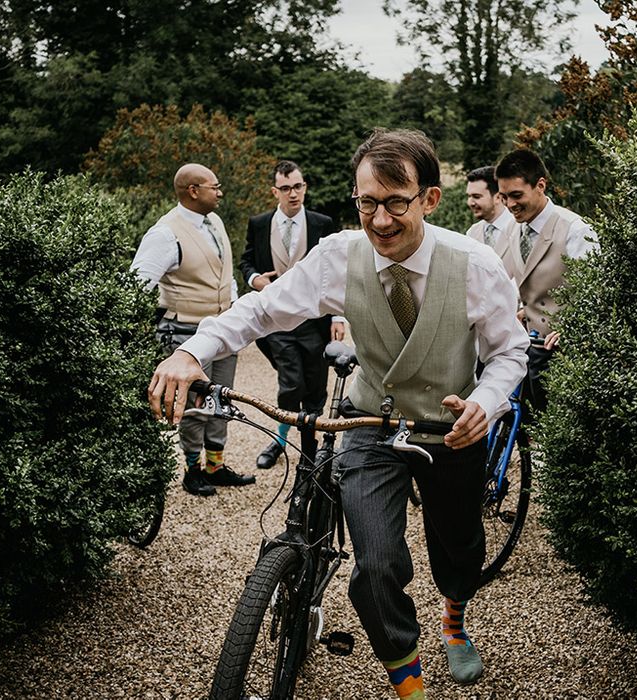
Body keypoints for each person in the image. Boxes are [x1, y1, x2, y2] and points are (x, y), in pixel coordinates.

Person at [148, 129, 528, 699]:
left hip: (451, 428)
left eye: (396, 201)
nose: (379, 220)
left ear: (429, 198)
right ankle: (411, 686)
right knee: (374, 570)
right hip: (370, 426)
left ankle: (454, 615)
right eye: (367, 202)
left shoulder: (473, 264)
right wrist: (190, 351)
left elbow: (509, 351)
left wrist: (484, 403)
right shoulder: (336, 257)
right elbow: (259, 311)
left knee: (460, 549)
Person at [131, 163, 255, 496]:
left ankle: (215, 466)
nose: (220, 192)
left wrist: (234, 306)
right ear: (193, 191)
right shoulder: (164, 234)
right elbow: (137, 283)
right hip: (184, 330)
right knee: (193, 404)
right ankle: (192, 469)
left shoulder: (214, 221)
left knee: (222, 399)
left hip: (222, 329)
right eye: (215, 186)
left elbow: (224, 274)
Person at [240, 160, 344, 469]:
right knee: (291, 385)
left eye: (298, 187)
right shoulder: (259, 224)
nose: (293, 194)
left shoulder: (322, 223)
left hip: (315, 319)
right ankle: (281, 440)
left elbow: (338, 271)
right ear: (276, 191)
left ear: (305, 188)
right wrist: (255, 279)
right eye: (285, 188)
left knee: (315, 387)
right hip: (276, 317)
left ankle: (310, 452)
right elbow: (247, 261)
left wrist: (339, 316)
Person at [495, 148, 599, 412]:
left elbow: (598, 291)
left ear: (540, 185)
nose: (510, 205)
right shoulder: (510, 228)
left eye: (517, 195)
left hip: (565, 353)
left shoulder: (575, 229)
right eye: (504, 197)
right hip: (526, 348)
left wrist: (572, 328)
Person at [464, 165, 513, 256]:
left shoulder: (520, 228)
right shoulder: (472, 233)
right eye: (469, 196)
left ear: (498, 197)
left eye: (476, 197)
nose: (470, 202)